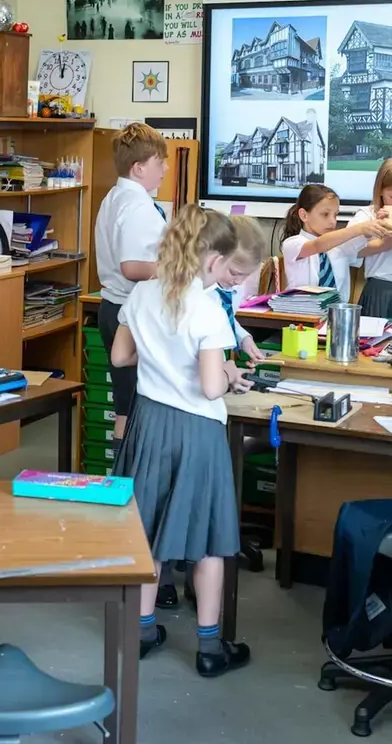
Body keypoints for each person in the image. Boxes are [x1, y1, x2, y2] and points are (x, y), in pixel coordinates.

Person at [111, 204, 252, 678]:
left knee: (146, 529)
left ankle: (144, 631)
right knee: (209, 539)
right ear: (213, 261)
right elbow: (212, 387)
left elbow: (120, 355)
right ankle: (209, 648)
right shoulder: (207, 308)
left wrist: (161, 360)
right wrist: (230, 373)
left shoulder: (143, 293)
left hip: (149, 423)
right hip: (197, 430)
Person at [159, 213, 267, 607]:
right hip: (190, 414)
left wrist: (241, 337)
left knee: (174, 506)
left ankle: (180, 581)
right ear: (215, 258)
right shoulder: (198, 297)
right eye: (234, 271)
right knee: (179, 507)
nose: (237, 281)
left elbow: (227, 320)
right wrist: (225, 372)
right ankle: (174, 581)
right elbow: (202, 365)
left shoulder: (216, 291)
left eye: (245, 275)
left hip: (178, 412)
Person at [95, 123, 168, 446]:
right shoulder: (139, 206)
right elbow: (132, 266)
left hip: (113, 307)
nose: (165, 169)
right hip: (131, 312)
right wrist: (179, 269)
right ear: (139, 168)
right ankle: (133, 480)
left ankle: (123, 480)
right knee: (138, 406)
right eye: (159, 162)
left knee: (126, 404)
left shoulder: (116, 196)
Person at [281, 184, 391, 303]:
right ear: (304, 215)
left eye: (335, 214)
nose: (332, 221)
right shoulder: (293, 244)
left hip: (336, 315)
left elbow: (361, 242)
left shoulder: (340, 247)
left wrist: (378, 224)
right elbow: (318, 245)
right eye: (325, 214)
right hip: (301, 314)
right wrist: (360, 228)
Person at [347, 159, 392, 317]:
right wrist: (383, 243)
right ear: (380, 190)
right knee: (374, 340)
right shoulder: (367, 215)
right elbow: (348, 251)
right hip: (381, 289)